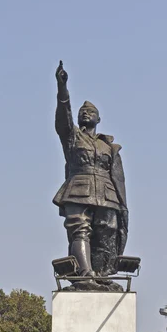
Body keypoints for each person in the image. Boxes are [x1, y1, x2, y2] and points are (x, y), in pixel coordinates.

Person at [53, 61, 128, 288]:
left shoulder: (109, 147)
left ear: (98, 118)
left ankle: (102, 274)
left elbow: (118, 177)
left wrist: (123, 206)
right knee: (80, 228)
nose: (86, 112)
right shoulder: (72, 137)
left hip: (106, 194)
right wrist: (62, 89)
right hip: (79, 189)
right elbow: (63, 117)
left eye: (91, 111)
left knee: (107, 231)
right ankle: (85, 276)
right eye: (82, 112)